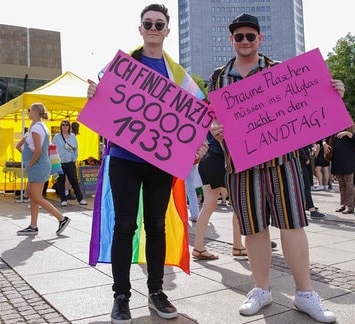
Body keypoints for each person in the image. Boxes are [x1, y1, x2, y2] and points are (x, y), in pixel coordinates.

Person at [208, 13, 341, 323]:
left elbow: (313, 104)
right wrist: (215, 128)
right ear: (231, 40)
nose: (244, 41)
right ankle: (261, 289)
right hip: (241, 165)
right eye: (238, 37)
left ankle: (306, 294)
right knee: (253, 229)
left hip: (283, 162)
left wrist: (333, 92)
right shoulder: (218, 77)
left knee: (293, 225)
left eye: (249, 37)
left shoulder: (281, 71)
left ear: (259, 39)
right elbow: (212, 117)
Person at [86, 4, 209, 323]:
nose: (153, 28)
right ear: (140, 29)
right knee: (125, 225)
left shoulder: (179, 75)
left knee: (155, 225)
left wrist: (199, 143)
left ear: (167, 30)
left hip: (160, 162)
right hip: (124, 159)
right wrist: (93, 95)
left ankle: (156, 291)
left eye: (159, 24)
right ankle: (121, 296)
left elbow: (197, 115)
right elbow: (103, 104)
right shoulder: (121, 66)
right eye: (148, 24)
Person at [16, 103, 71, 236]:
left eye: (30, 110)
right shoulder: (40, 127)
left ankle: (62, 218)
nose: (28, 112)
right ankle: (33, 225)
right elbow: (30, 147)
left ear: (35, 111)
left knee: (36, 197)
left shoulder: (36, 128)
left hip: (38, 165)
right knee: (33, 196)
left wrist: (30, 163)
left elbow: (38, 150)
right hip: (40, 164)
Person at [192, 132, 247, 259]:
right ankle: (238, 245)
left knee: (208, 206)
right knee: (237, 204)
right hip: (220, 159)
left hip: (207, 158)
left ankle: (198, 247)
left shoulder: (211, 117)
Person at [52, 120, 87, 206]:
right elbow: (53, 148)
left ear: (69, 127)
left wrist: (74, 158)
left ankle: (80, 199)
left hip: (70, 162)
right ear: (61, 126)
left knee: (74, 180)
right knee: (60, 181)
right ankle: (63, 199)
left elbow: (76, 148)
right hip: (60, 162)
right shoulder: (57, 136)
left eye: (66, 125)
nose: (64, 126)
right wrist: (55, 159)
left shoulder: (72, 136)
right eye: (63, 125)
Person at [328, 124, 355, 214]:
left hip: (348, 160)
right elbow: (326, 138)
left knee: (349, 184)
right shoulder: (334, 127)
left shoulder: (351, 128)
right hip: (337, 160)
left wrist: (348, 133)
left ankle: (350, 206)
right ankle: (343, 204)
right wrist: (324, 144)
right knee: (341, 184)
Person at [298, 145, 325, 218]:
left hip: (299, 163)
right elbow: (298, 146)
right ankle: (312, 209)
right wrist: (306, 158)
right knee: (306, 187)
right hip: (301, 163)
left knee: (304, 187)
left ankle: (307, 205)